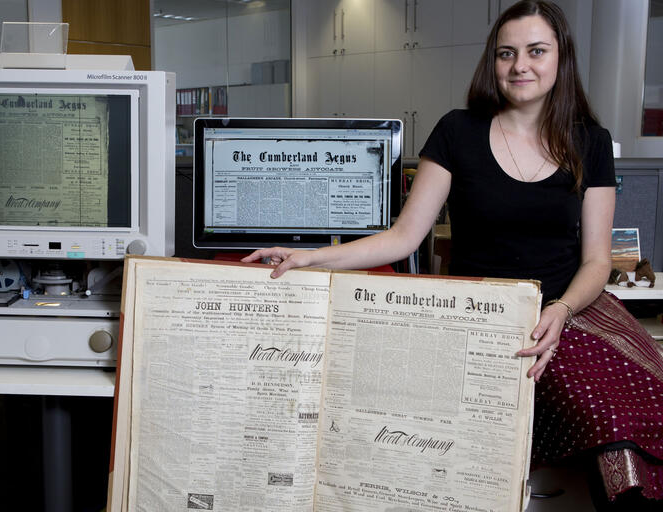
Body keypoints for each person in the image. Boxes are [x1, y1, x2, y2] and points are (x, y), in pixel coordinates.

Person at [244, 1, 663, 507]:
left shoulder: (589, 140)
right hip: (480, 316)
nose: (519, 66)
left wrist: (561, 310)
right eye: (506, 54)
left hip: (567, 310)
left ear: (561, 58)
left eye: (536, 51)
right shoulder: (456, 131)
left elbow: (597, 259)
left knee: (621, 414)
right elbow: (404, 237)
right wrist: (308, 258)